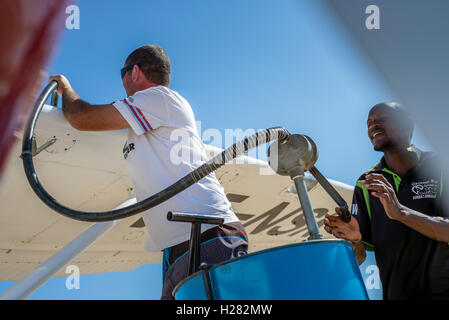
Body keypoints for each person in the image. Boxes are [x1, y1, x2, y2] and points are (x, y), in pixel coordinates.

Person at [49, 44, 248, 300]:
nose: (121, 81)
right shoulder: (148, 114)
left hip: (207, 237)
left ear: (134, 72)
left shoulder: (158, 99)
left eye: (121, 73)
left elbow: (82, 118)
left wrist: (65, 88)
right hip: (183, 245)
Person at [324, 102, 449, 300]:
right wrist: (355, 240)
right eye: (369, 123)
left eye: (383, 119)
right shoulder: (366, 182)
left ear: (407, 125)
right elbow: (360, 257)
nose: (374, 126)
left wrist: (400, 213)